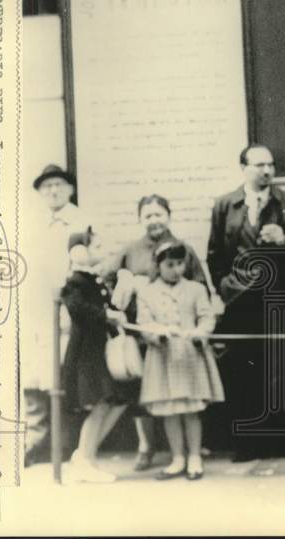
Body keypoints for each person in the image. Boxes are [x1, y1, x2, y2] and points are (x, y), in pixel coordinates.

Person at [207, 144, 285, 461]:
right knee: (244, 372)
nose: (267, 171)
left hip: (280, 300)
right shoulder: (224, 206)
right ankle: (247, 444)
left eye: (270, 165)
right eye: (259, 165)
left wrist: (284, 239)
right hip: (241, 304)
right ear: (243, 168)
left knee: (283, 371)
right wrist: (226, 289)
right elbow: (215, 255)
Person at [107, 194, 210, 471]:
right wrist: (127, 282)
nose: (154, 220)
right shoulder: (130, 250)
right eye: (148, 216)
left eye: (158, 214)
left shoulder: (183, 248)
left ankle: (188, 454)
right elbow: (107, 282)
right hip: (142, 331)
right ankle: (146, 446)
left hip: (180, 335)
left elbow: (200, 287)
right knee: (147, 394)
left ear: (168, 215)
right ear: (140, 219)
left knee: (183, 399)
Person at [137, 241, 225, 480]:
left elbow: (207, 318)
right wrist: (159, 333)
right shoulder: (147, 292)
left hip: (189, 356)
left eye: (180, 264)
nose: (176, 269)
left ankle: (194, 456)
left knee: (191, 409)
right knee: (170, 409)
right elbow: (144, 323)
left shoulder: (196, 289)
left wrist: (200, 333)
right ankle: (177, 458)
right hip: (163, 358)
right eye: (169, 265)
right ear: (158, 266)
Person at [22, 164, 91, 467]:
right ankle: (34, 443)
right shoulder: (31, 222)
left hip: (69, 308)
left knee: (63, 375)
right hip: (35, 308)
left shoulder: (82, 221)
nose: (53, 191)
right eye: (47, 186)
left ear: (70, 189)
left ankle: (64, 444)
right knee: (34, 377)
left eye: (59, 185)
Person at [60, 228, 132, 483]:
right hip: (85, 354)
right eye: (97, 246)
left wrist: (117, 309)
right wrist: (107, 315)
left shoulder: (94, 280)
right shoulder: (76, 280)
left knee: (115, 401)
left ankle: (83, 457)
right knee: (100, 403)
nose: (103, 251)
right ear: (80, 252)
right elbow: (78, 308)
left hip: (98, 351)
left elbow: (106, 307)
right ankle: (84, 460)